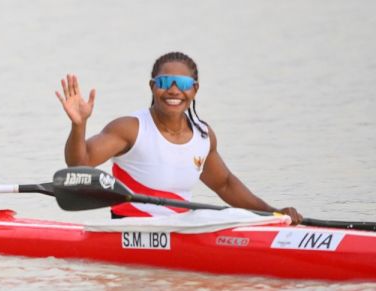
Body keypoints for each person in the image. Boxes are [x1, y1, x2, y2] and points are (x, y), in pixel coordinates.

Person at [55, 51, 302, 223]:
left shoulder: (203, 136)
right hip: (133, 228)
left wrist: (273, 214)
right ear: (152, 86)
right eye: (165, 82)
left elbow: (225, 184)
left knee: (229, 216)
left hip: (182, 227)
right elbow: (79, 163)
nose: (174, 90)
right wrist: (79, 124)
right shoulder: (130, 128)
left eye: (183, 83)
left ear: (195, 89)